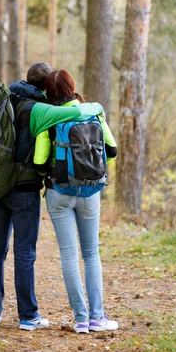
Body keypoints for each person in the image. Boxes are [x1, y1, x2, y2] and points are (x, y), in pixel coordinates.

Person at [0, 63, 105, 331]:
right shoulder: (39, 110)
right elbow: (77, 111)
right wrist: (97, 108)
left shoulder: (4, 100)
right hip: (24, 189)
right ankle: (28, 316)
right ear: (43, 88)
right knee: (24, 251)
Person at [34, 69, 118, 334]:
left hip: (59, 194)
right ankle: (98, 317)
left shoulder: (48, 119)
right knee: (91, 254)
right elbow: (112, 150)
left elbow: (38, 163)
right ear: (72, 88)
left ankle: (80, 319)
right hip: (90, 193)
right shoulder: (92, 112)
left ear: (49, 92)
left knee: (69, 256)